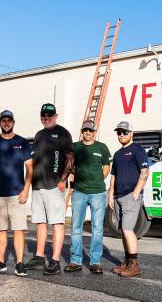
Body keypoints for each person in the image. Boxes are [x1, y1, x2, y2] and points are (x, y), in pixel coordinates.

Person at [0, 110, 33, 276]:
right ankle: (1, 262)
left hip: (17, 195)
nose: (6, 123)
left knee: (19, 229)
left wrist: (26, 189)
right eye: (4, 120)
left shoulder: (22, 143)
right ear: (0, 122)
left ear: (13, 122)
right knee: (1, 230)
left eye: (9, 120)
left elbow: (30, 169)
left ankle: (19, 263)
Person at [29, 102, 75, 274]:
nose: (46, 118)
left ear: (55, 116)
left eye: (49, 115)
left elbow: (70, 158)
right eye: (43, 116)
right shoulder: (39, 135)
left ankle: (55, 260)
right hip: (38, 185)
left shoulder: (63, 133)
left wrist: (63, 180)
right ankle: (39, 257)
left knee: (56, 222)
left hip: (55, 185)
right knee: (40, 222)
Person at [66, 120, 110, 274]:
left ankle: (95, 262)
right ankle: (75, 261)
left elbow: (106, 167)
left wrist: (97, 179)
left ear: (94, 131)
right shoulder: (75, 147)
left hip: (98, 192)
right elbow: (69, 165)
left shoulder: (102, 147)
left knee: (97, 228)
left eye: (90, 130)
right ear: (82, 131)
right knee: (76, 227)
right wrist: (76, 175)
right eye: (85, 130)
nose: (88, 133)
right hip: (79, 192)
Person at [108, 120, 150, 278]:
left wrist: (136, 193)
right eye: (119, 132)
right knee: (123, 231)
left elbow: (145, 172)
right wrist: (110, 194)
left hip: (130, 196)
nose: (121, 135)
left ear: (131, 133)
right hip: (118, 196)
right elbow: (113, 176)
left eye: (124, 132)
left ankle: (134, 265)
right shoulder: (118, 154)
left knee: (127, 229)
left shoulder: (137, 150)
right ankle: (127, 261)